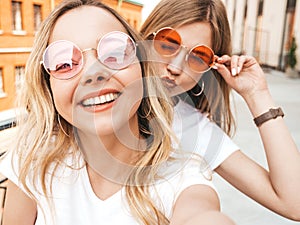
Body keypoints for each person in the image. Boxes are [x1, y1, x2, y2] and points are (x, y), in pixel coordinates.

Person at [0, 0, 237, 225]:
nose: (93, 72)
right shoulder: (32, 162)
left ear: (143, 69)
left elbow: (202, 214)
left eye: (114, 53)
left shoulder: (183, 177)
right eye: (64, 63)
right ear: (48, 87)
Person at [140, 0, 300, 221]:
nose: (175, 68)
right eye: (168, 44)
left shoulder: (195, 128)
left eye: (197, 57)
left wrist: (257, 95)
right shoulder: (100, 96)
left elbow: (294, 203)